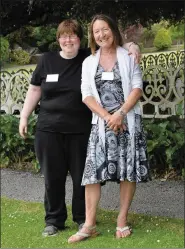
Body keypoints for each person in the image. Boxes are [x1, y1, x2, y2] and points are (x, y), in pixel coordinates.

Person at [19, 18, 141, 237]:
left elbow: (114, 46)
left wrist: (133, 45)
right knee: (52, 176)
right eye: (63, 36)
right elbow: (35, 90)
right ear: (58, 40)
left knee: (81, 177)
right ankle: (54, 220)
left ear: (80, 38)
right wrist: (24, 117)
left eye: (72, 35)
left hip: (81, 128)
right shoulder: (47, 60)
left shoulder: (87, 56)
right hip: (49, 129)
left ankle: (82, 219)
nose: (68, 40)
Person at [68, 14, 150, 243]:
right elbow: (86, 94)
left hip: (126, 123)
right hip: (102, 124)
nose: (101, 34)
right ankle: (89, 225)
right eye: (96, 31)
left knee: (127, 172)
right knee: (92, 174)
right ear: (92, 36)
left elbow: (136, 87)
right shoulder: (88, 62)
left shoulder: (128, 56)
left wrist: (120, 114)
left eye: (105, 29)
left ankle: (122, 220)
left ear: (112, 30)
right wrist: (107, 117)